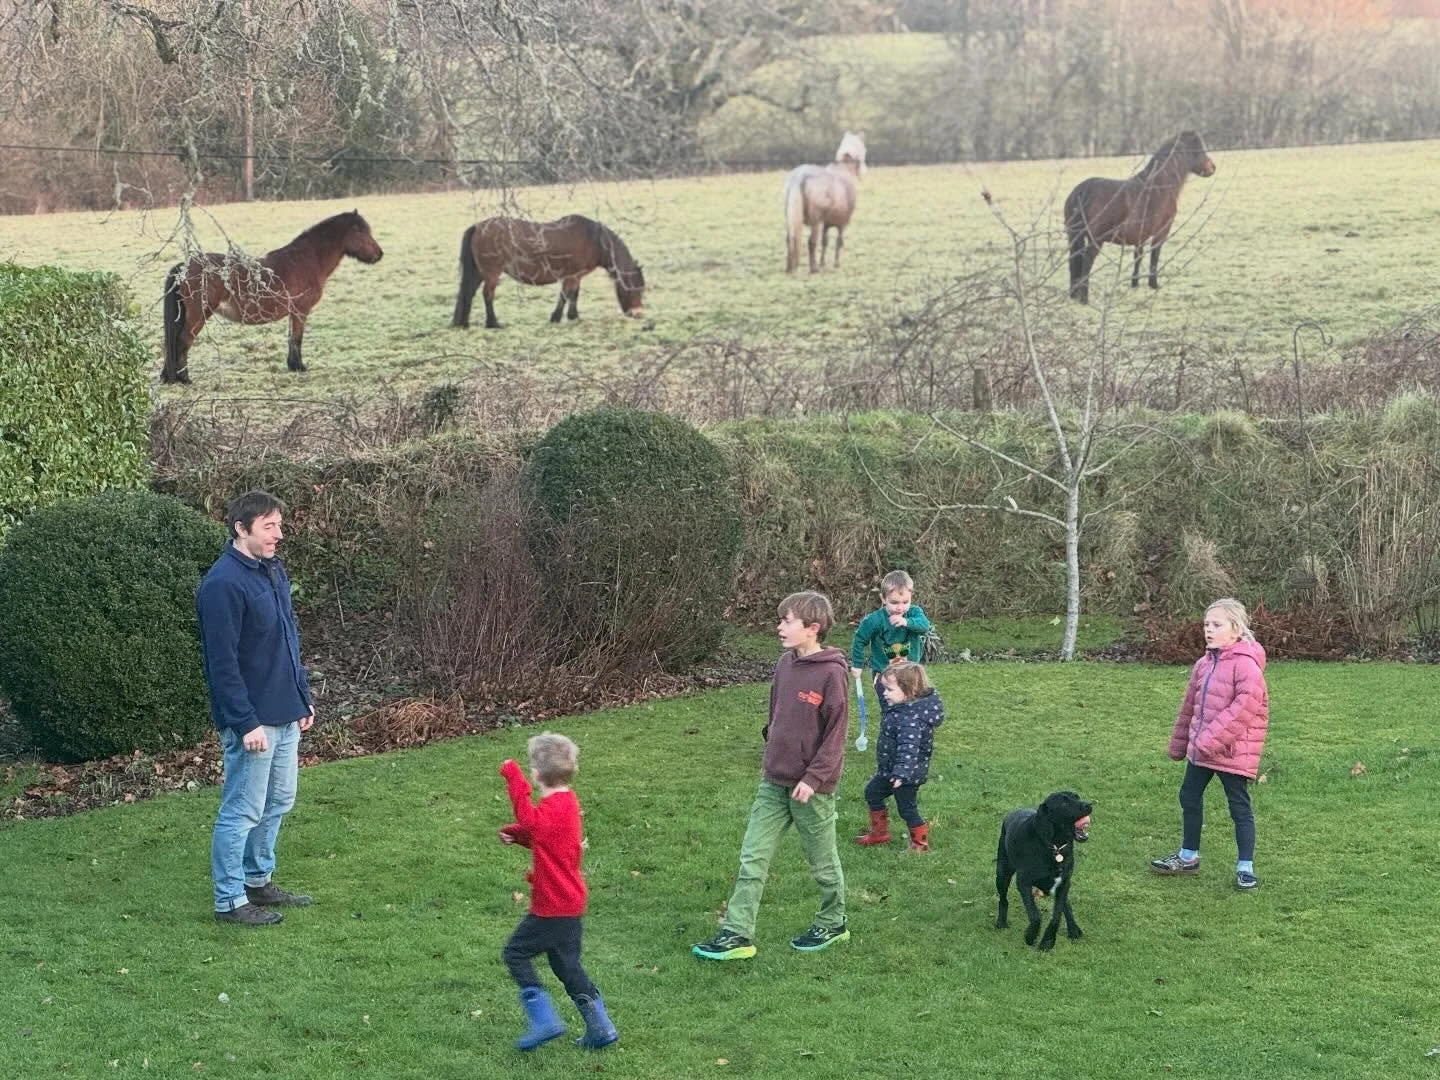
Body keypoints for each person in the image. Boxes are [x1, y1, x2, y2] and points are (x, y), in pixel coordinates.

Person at [692, 591, 851, 961]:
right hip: (774, 782)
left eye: (787, 621)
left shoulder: (832, 673)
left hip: (812, 789)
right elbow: (776, 714)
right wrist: (774, 749)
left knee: (822, 862)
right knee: (753, 857)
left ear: (812, 628)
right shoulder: (784, 664)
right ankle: (737, 933)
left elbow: (836, 736)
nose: (779, 627)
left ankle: (833, 921)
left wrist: (813, 779)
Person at [197, 491, 315, 926]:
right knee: (242, 810)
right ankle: (230, 900)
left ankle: (257, 879)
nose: (278, 534)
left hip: (286, 710)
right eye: (269, 526)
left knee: (279, 800)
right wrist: (245, 722)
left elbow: (287, 638)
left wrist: (302, 695)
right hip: (254, 721)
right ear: (240, 528)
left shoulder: (272, 571)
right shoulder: (223, 584)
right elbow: (221, 663)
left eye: (279, 525)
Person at [499, 733, 618, 1052]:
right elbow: (547, 838)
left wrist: (513, 776)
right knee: (567, 967)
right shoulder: (567, 803)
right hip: (570, 904)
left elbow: (530, 819)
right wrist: (516, 835)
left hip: (551, 907)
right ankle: (601, 1028)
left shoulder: (550, 808)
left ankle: (544, 1021)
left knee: (515, 953)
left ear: (536, 774)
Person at [1150, 598, 1270, 891]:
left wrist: (1209, 740)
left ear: (1236, 629)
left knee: (1239, 807)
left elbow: (1243, 709)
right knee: (1189, 796)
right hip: (1202, 750)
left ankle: (1245, 868)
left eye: (1217, 625)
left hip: (1231, 751)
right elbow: (1189, 707)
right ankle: (1188, 856)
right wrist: (1182, 743)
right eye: (1206, 624)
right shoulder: (1203, 664)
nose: (1208, 630)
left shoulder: (1247, 666)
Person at [853, 661, 945, 853]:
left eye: (889, 689)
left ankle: (920, 844)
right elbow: (884, 695)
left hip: (906, 775)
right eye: (884, 688)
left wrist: (901, 774)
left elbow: (908, 748)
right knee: (873, 792)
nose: (884, 693)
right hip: (890, 771)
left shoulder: (910, 719)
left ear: (909, 691)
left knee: (907, 809)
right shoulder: (898, 706)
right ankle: (879, 833)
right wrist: (873, 677)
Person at [850, 570, 933, 702]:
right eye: (894, 602)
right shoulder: (874, 620)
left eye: (905, 602)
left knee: (911, 704)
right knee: (888, 706)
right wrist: (857, 664)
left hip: (910, 671)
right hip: (884, 673)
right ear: (883, 599)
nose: (900, 607)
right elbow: (859, 639)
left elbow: (924, 626)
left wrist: (907, 622)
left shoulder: (914, 613)